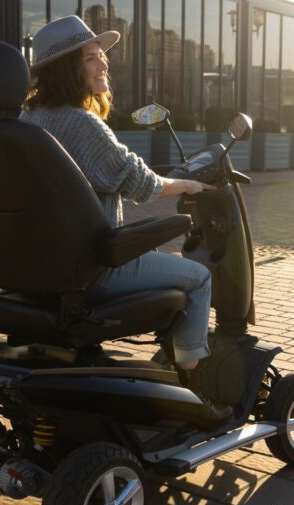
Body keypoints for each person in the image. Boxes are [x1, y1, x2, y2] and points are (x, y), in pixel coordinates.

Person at [20, 15, 231, 423]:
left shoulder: (29, 120)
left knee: (164, 265)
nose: (103, 66)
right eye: (91, 59)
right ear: (67, 68)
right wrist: (186, 186)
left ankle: (172, 364)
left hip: (43, 267)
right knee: (197, 277)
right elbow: (139, 181)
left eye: (102, 57)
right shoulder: (81, 123)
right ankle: (194, 387)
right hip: (94, 268)